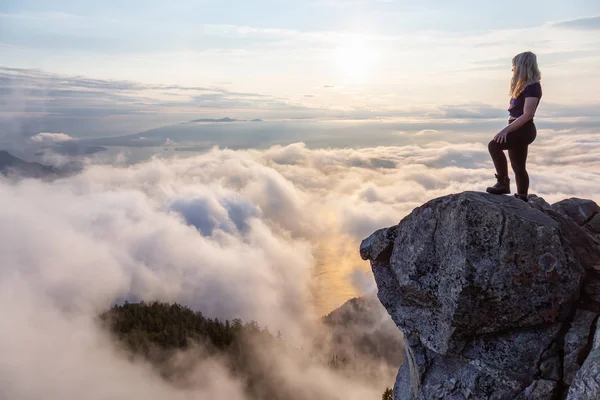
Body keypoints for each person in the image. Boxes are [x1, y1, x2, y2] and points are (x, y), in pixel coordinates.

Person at [486, 51, 542, 202]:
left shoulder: (533, 87)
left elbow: (527, 115)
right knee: (518, 165)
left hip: (523, 129)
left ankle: (502, 183)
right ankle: (522, 196)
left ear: (522, 66)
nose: (512, 69)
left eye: (514, 66)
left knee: (494, 145)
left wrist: (505, 130)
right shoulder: (524, 86)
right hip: (518, 127)